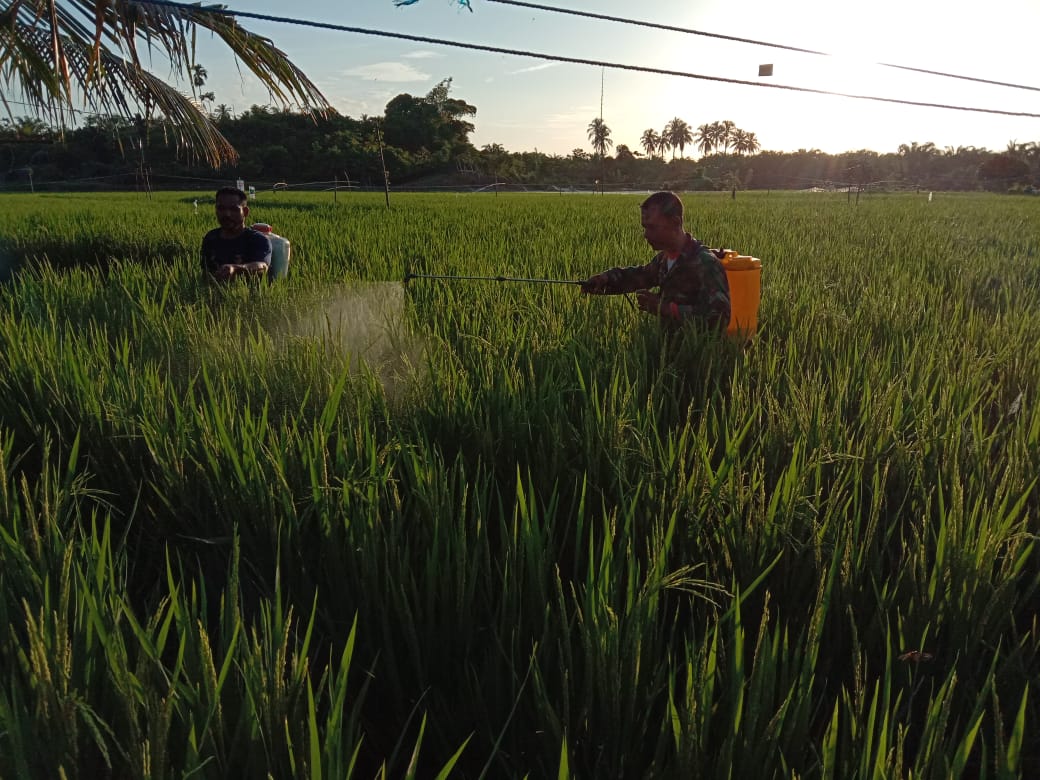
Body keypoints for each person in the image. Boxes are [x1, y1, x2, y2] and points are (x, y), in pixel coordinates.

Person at [582, 191, 731, 332]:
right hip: (666, 348)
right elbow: (638, 277)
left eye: (652, 227)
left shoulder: (705, 263)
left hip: (698, 354)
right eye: (645, 227)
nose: (646, 235)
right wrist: (605, 280)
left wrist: (665, 309)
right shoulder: (664, 259)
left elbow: (720, 318)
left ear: (675, 223)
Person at [200, 186, 271, 282]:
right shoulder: (211, 238)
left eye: (234, 209)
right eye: (221, 208)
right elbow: (206, 272)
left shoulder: (257, 239)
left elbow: (262, 267)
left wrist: (236, 269)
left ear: (245, 212)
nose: (227, 214)